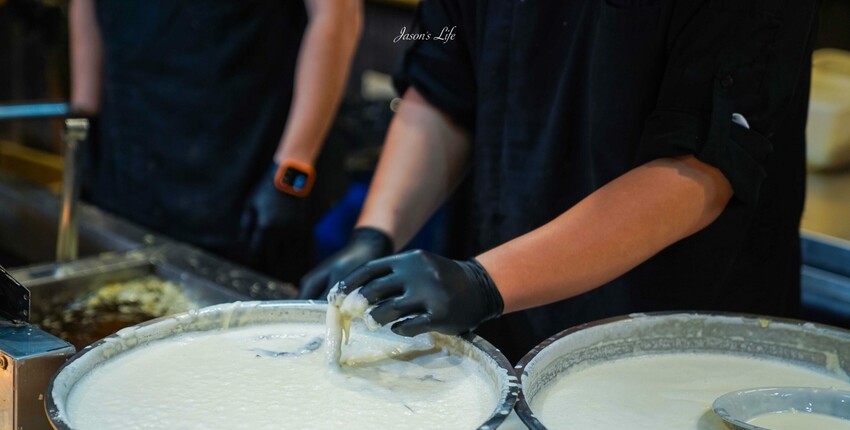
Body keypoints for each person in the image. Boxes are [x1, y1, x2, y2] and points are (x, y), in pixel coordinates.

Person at [299, 0, 821, 362]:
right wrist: (377, 231)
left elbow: (704, 167)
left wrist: (484, 282)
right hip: (508, 316)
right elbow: (442, 79)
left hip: (677, 341)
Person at [68, 0, 362, 283]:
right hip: (128, 158)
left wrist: (291, 170)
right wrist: (84, 120)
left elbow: (337, 18)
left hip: (244, 174)